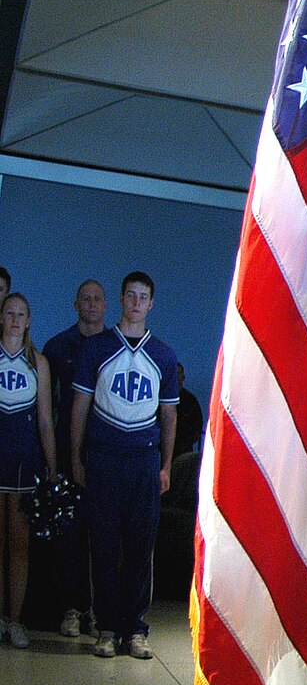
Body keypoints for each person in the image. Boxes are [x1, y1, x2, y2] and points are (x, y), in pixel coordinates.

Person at [69, 272, 178, 661]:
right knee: (102, 545)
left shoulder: (163, 355)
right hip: (103, 457)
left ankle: (136, 629)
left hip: (143, 461)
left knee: (139, 547)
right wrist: (76, 456)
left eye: (143, 297)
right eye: (130, 295)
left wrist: (165, 465)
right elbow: (79, 407)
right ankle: (107, 627)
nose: (136, 302)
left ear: (151, 304)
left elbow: (168, 415)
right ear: (121, 300)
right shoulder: (97, 348)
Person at [41, 279, 105, 639]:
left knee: (103, 536)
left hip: (103, 455)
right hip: (67, 455)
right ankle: (71, 608)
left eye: (97, 299)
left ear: (105, 306)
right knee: (69, 536)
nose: (92, 305)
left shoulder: (114, 346)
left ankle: (97, 608)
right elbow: (47, 405)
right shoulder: (56, 348)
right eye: (86, 299)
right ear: (75, 304)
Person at [0, 294, 57, 648]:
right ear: (1, 318)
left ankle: (16, 620)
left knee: (20, 544)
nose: (15, 320)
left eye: (22, 314)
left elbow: (46, 421)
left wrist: (51, 467)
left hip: (24, 461)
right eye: (9, 313)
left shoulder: (38, 363)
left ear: (29, 320)